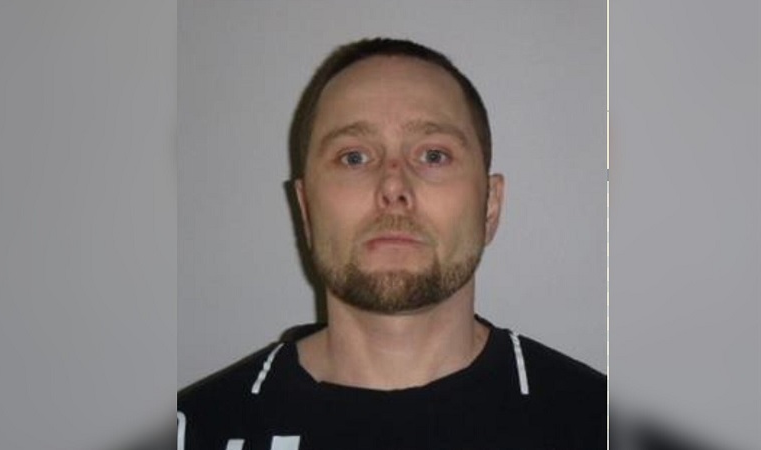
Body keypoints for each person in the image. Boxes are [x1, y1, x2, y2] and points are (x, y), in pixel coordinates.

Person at [177, 37, 605, 450]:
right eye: (354, 157)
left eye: (433, 155)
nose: (393, 186)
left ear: (490, 205)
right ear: (306, 209)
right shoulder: (190, 433)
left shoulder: (600, 427)